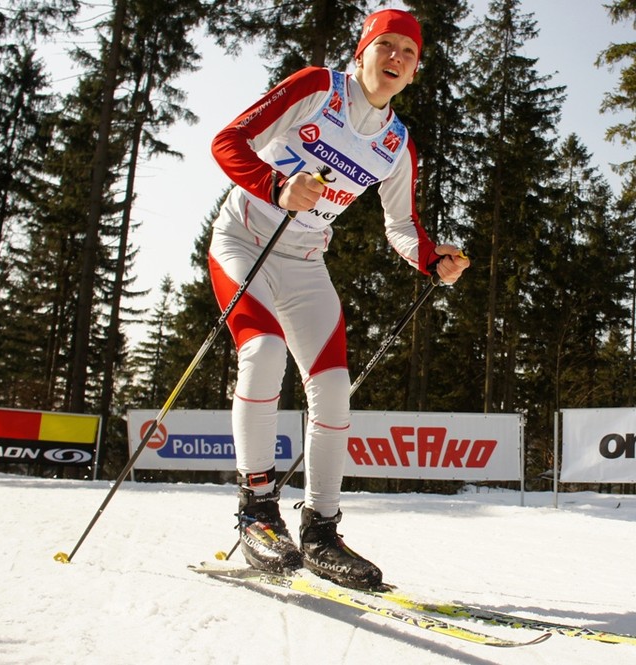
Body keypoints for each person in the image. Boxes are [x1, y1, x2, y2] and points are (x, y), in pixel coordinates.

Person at [208, 8, 470, 590]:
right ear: (363, 52)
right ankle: (257, 511)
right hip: (244, 241)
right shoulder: (316, 87)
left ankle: (320, 530)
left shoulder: (398, 143)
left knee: (331, 389)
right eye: (387, 46)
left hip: (304, 260)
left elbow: (401, 225)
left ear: (415, 72)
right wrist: (277, 185)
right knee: (264, 352)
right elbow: (228, 141)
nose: (396, 58)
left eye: (408, 52)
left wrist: (434, 259)